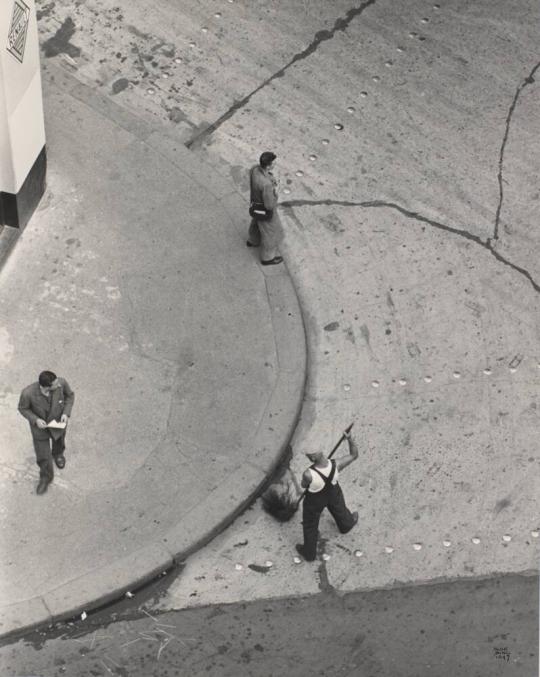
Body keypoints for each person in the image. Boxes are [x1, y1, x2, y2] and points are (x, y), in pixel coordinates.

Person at [296, 428, 359, 561]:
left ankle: (309, 552)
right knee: (339, 508)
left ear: (312, 457)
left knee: (310, 524)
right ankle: (346, 524)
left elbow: (303, 485)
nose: (307, 458)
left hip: (314, 500)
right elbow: (354, 455)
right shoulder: (337, 465)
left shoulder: (308, 474)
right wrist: (350, 439)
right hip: (333, 493)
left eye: (308, 456)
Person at [18, 370, 75, 495]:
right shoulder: (28, 394)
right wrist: (35, 420)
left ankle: (58, 454)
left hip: (58, 423)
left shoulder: (61, 383)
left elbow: (70, 396)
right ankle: (46, 477)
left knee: (59, 441)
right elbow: (22, 408)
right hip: (40, 430)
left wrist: (66, 413)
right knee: (43, 456)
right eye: (55, 385)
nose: (58, 385)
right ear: (45, 387)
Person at [246, 151, 285, 265]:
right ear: (269, 165)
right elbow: (269, 205)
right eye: (274, 162)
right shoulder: (266, 185)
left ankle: (252, 241)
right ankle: (267, 258)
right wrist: (276, 193)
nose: (275, 164)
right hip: (264, 209)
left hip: (255, 205)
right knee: (271, 233)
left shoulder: (254, 170)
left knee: (257, 222)